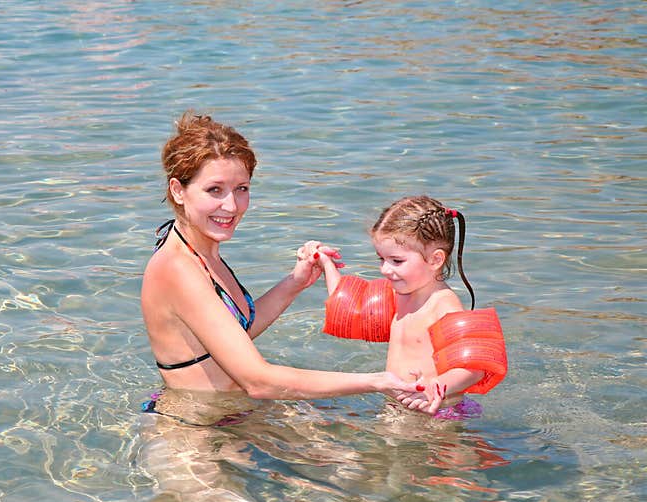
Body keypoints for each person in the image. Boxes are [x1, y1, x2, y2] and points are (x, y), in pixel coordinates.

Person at [140, 111, 442, 412]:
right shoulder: (178, 268)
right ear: (178, 190)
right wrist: (377, 381)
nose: (231, 206)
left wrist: (295, 282)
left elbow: (232, 336)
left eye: (241, 189)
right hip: (194, 438)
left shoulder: (201, 249)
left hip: (227, 416)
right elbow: (260, 382)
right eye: (214, 190)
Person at [309, 195, 508, 419]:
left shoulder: (443, 305)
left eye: (396, 261)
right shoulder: (400, 293)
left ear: (435, 260)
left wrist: (438, 385)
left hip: (438, 411)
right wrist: (326, 265)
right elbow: (349, 306)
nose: (385, 269)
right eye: (381, 259)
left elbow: (473, 367)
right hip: (399, 406)